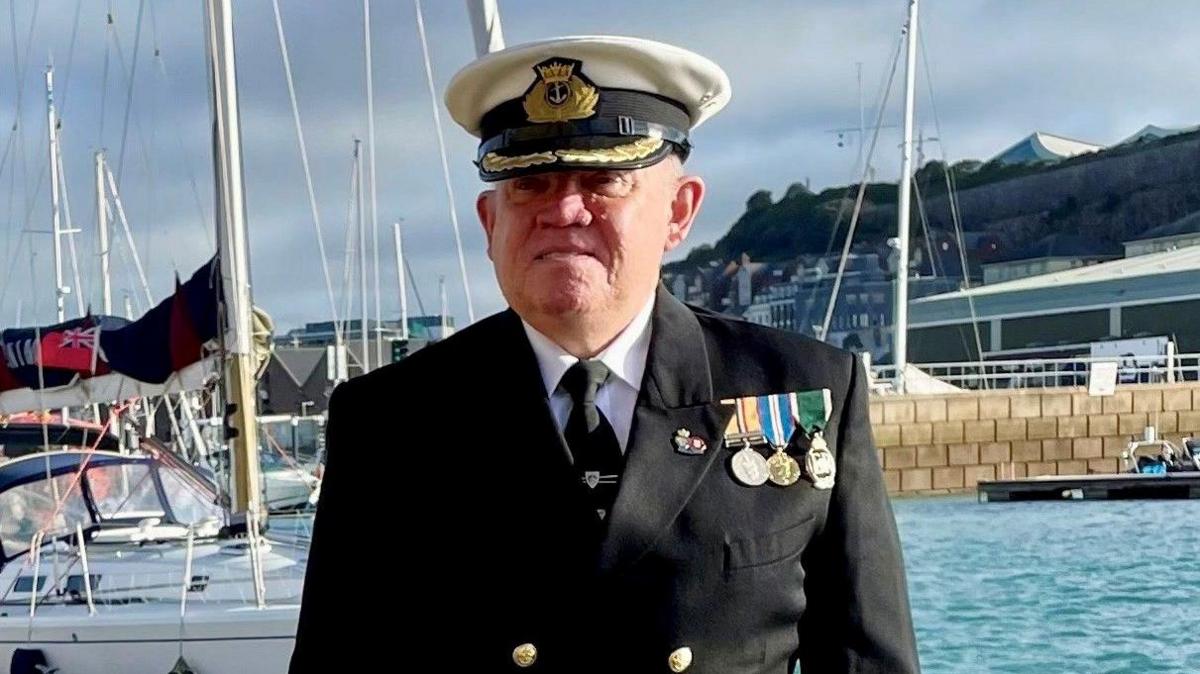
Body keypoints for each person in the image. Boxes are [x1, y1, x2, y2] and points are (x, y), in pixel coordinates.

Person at [290, 35, 918, 673]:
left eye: (603, 180)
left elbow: (869, 661)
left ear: (678, 211)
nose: (562, 210)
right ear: (489, 224)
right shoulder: (392, 420)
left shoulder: (802, 389)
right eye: (529, 185)